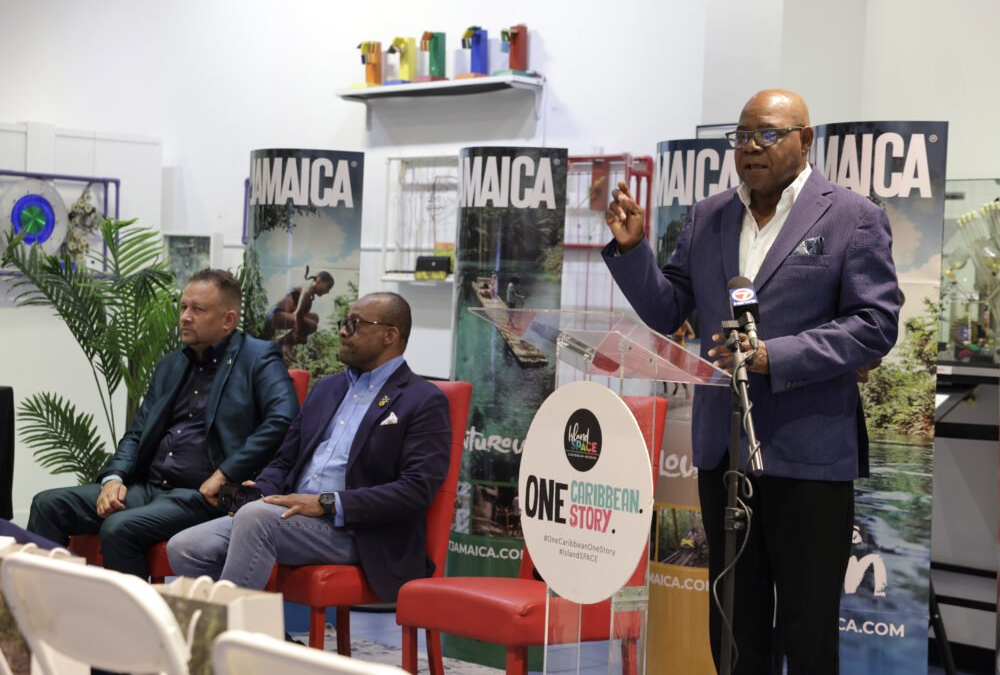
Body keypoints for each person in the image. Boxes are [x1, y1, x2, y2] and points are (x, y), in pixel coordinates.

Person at [603, 90, 900, 674]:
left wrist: (774, 356)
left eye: (766, 134)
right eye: (740, 136)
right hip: (726, 454)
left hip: (809, 455)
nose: (749, 147)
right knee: (734, 625)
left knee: (808, 629)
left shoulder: (852, 217)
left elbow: (874, 325)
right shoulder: (709, 215)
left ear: (805, 139)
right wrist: (634, 250)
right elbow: (669, 311)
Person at [167, 292, 451, 603]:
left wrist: (328, 503)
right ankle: (263, 639)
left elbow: (416, 490)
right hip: (293, 516)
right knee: (186, 546)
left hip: (362, 533)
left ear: (389, 335)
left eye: (355, 325)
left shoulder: (423, 400)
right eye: (344, 323)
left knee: (256, 520)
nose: (342, 331)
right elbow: (286, 459)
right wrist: (261, 490)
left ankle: (226, 640)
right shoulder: (328, 387)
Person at [27, 269, 300, 578]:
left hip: (203, 495)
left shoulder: (258, 357)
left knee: (120, 527)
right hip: (150, 489)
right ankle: (36, 616)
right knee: (48, 504)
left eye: (197, 309)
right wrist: (114, 478)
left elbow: (283, 418)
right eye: (183, 307)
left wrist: (225, 473)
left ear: (228, 320)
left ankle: (133, 625)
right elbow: (138, 431)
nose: (184, 317)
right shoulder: (172, 364)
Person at [264, 268, 334, 358]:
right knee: (312, 326)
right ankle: (279, 342)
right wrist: (299, 333)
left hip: (286, 316)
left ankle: (287, 344)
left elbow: (301, 318)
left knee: (314, 318)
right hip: (275, 315)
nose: (328, 292)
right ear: (319, 280)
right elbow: (298, 314)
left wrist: (302, 333)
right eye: (328, 287)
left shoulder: (310, 298)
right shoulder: (307, 288)